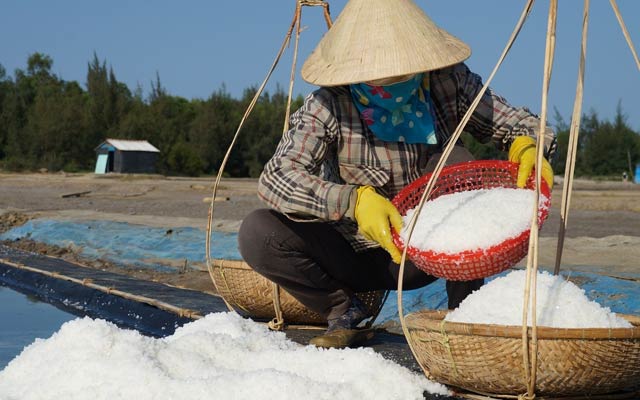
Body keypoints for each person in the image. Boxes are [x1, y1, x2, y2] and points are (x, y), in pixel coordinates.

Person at [238, 0, 555, 348]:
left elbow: (519, 123)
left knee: (457, 162)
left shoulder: (447, 83)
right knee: (258, 232)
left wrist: (528, 144)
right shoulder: (327, 106)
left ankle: (465, 312)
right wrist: (353, 201)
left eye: (402, 74)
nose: (392, 85)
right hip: (355, 253)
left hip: (429, 253)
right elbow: (277, 177)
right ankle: (345, 310)